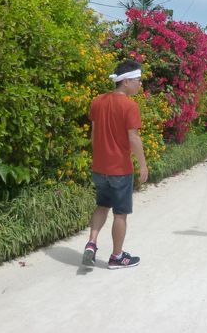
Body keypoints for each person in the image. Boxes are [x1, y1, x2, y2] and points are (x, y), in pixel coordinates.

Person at [82, 60, 148, 269]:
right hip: (120, 169)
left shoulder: (97, 101)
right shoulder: (130, 105)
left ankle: (91, 243)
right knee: (120, 214)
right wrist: (143, 165)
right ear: (126, 82)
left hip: (99, 168)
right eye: (137, 80)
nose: (140, 84)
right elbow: (134, 138)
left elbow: (94, 135)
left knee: (102, 205)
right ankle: (117, 257)